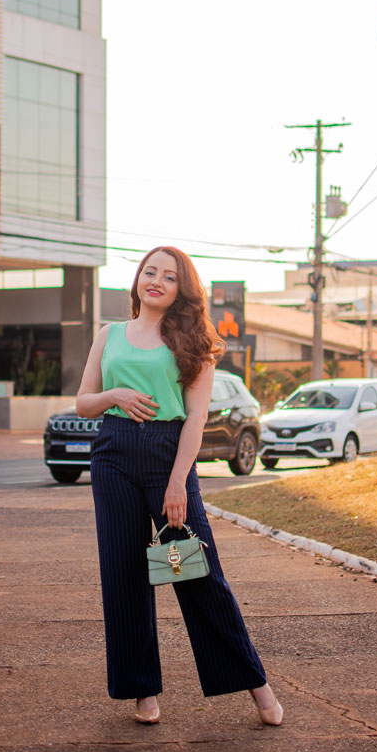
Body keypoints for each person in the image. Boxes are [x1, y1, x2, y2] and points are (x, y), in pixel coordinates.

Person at [76, 245, 283, 727]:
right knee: (124, 576)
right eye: (149, 272)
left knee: (195, 575)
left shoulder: (194, 341)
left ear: (180, 290)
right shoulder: (110, 335)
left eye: (168, 277)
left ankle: (257, 685)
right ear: (137, 281)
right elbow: (84, 402)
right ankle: (142, 692)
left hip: (169, 459)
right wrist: (114, 395)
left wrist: (176, 485)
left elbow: (194, 420)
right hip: (114, 456)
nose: (156, 281)